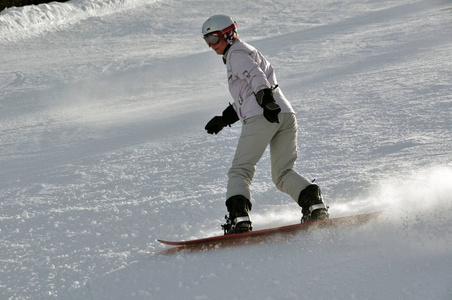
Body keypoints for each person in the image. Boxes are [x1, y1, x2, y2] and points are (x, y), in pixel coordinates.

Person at [202, 15, 329, 235]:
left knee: (240, 171)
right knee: (282, 173)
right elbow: (248, 93)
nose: (211, 45)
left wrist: (266, 101)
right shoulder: (248, 51)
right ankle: (314, 204)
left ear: (228, 34)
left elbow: (255, 76)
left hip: (263, 114)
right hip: (285, 115)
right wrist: (225, 119)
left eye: (214, 38)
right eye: (207, 40)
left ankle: (238, 218)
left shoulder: (236, 53)